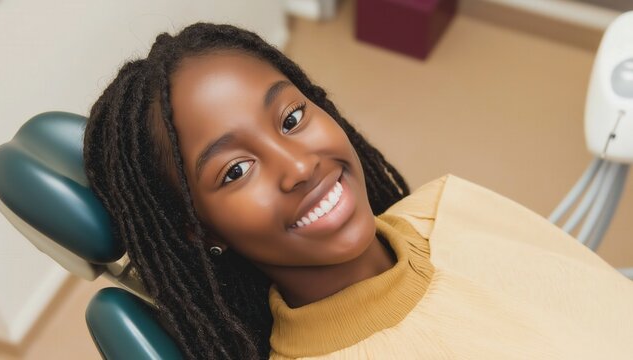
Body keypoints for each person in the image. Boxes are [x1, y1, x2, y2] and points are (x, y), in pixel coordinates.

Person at [83, 23, 633, 360]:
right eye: (235, 171)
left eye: (293, 116)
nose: (298, 165)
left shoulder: (448, 204)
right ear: (196, 230)